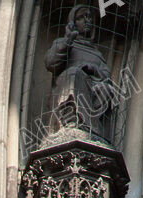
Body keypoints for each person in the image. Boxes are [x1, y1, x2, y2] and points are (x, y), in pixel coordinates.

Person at [45, 4, 115, 139]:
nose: (87, 21)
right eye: (81, 17)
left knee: (106, 89)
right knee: (74, 74)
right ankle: (71, 119)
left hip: (91, 89)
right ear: (73, 22)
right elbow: (51, 63)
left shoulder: (96, 53)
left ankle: (91, 126)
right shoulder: (63, 43)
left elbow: (106, 76)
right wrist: (67, 41)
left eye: (89, 17)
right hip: (69, 84)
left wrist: (92, 68)